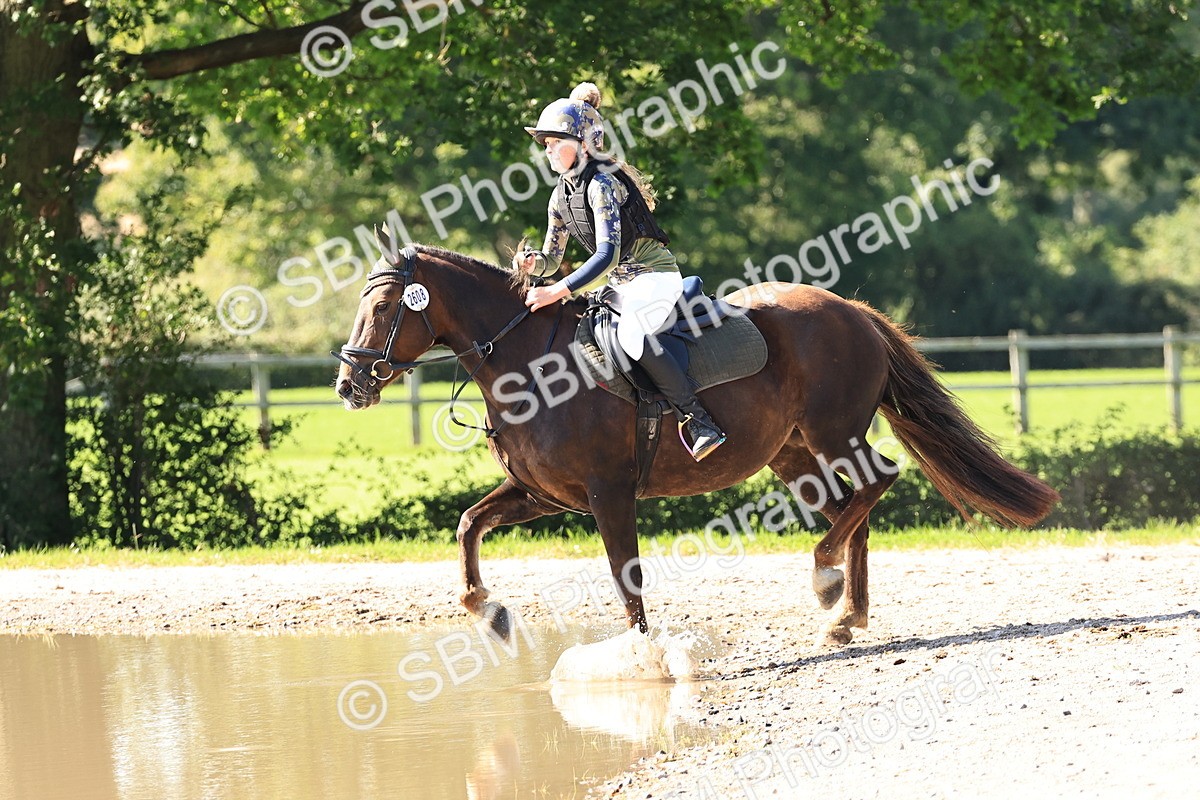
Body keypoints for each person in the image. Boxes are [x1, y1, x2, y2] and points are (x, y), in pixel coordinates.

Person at [516, 82, 726, 461]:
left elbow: (607, 256)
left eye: (553, 141)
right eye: (543, 143)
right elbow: (551, 257)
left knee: (631, 336)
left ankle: (699, 420)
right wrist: (535, 264)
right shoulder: (560, 195)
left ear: (582, 142)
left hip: (654, 279)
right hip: (621, 287)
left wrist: (556, 290)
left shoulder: (602, 184)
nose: (546, 149)